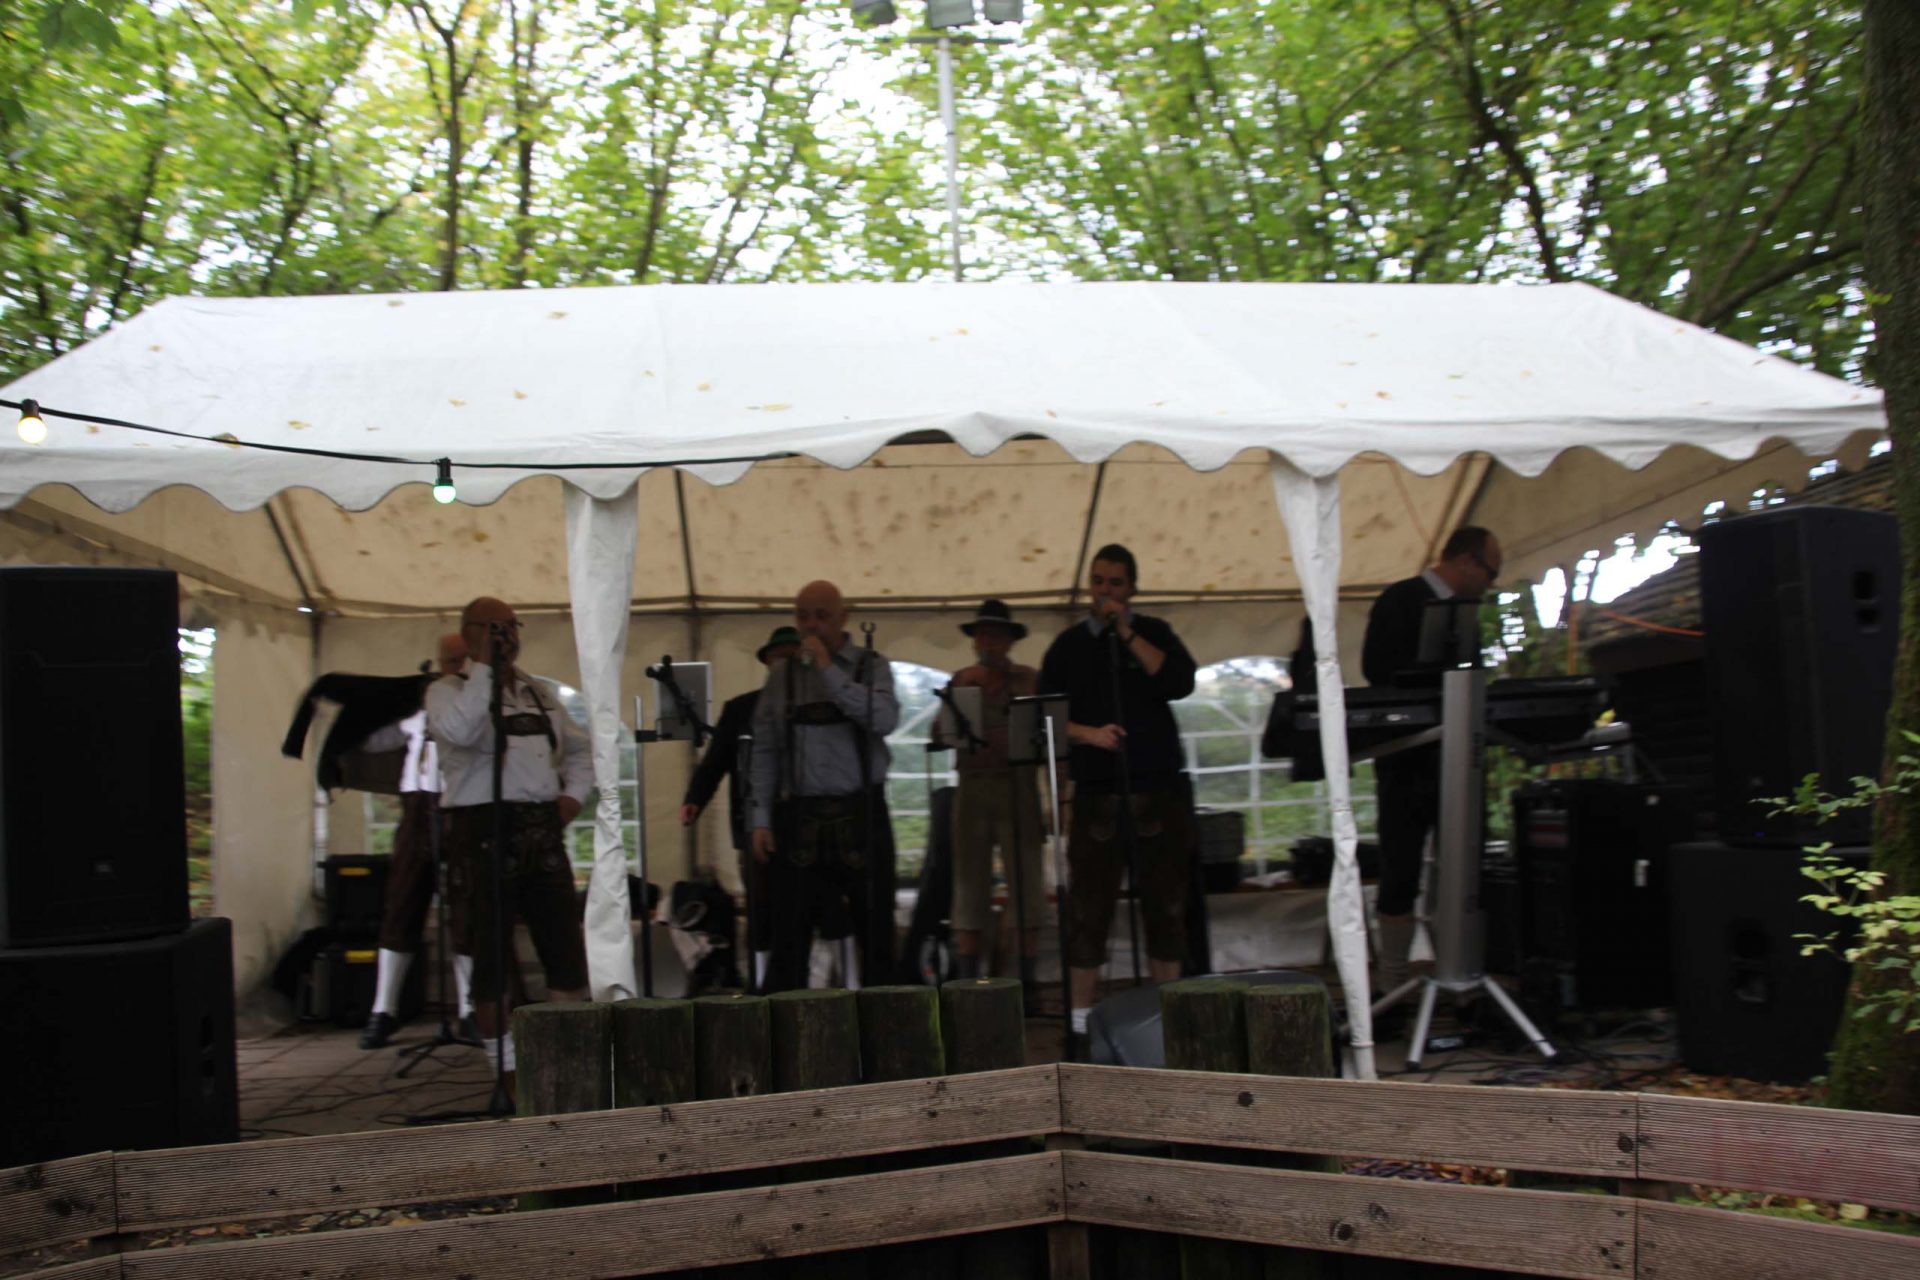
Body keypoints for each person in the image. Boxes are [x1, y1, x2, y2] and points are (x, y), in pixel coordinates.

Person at [427, 597, 593, 1090]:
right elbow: (461, 731)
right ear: (470, 632)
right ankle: (507, 1072)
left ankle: (565, 1066)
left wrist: (571, 799)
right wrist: (484, 667)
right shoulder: (446, 691)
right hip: (481, 830)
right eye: (494, 628)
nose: (507, 637)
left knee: (564, 950)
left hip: (542, 830)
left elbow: (581, 750)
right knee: (490, 958)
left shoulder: (539, 692)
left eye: (512, 627)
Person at [1039, 544, 1197, 1044]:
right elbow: (1044, 715)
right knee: (1089, 912)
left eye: (1115, 583)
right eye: (1098, 581)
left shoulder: (1153, 633)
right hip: (1097, 796)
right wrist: (1088, 734)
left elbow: (1180, 681)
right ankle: (1080, 1026)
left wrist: (1126, 633)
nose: (1105, 591)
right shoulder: (1068, 646)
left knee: (1165, 908)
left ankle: (1170, 1022)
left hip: (1158, 791)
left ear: (1131, 588)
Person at [1361, 526, 1503, 1015]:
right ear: (1465, 561)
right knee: (1399, 867)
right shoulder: (1400, 600)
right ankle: (1392, 987)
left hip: (1456, 757)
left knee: (1462, 870)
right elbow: (1377, 669)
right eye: (1490, 573)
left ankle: (1458, 978)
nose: (1489, 584)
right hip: (1407, 756)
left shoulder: (1465, 614)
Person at [749, 581, 899, 993]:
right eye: (803, 616)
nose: (811, 625)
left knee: (877, 932)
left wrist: (828, 670)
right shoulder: (781, 678)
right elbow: (764, 750)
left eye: (821, 616)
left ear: (843, 617)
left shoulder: (872, 667)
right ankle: (790, 1024)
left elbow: (885, 719)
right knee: (790, 936)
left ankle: (885, 1024)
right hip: (799, 816)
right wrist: (760, 819)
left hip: (862, 813)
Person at [357, 633, 478, 1049]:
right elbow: (378, 740)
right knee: (403, 901)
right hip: (418, 806)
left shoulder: (479, 699)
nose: (454, 666)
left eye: (460, 659)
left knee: (465, 907)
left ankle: (470, 1009)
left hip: (464, 805)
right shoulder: (418, 702)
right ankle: (384, 1009)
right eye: (449, 660)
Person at [680, 625, 802, 990]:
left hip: (804, 826)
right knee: (760, 906)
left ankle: (800, 980)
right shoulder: (741, 709)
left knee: (801, 906)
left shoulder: (817, 708)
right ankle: (761, 982)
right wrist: (694, 799)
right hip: (752, 824)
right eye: (778, 659)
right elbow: (715, 761)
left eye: (792, 658)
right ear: (767, 663)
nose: (784, 666)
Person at [934, 600, 1045, 984]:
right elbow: (939, 735)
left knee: (1027, 887)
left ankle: (1026, 985)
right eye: (982, 635)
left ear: (1010, 641)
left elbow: (1049, 733)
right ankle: (970, 983)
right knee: (969, 886)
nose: (988, 642)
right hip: (972, 788)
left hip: (1019, 787)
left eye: (996, 635)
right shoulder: (961, 680)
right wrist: (960, 693)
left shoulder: (1029, 680)